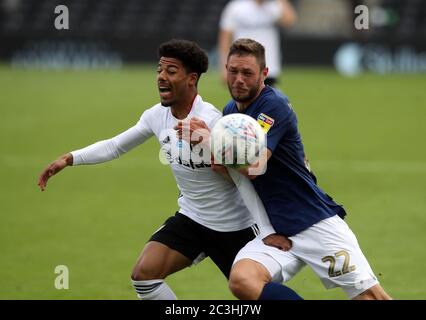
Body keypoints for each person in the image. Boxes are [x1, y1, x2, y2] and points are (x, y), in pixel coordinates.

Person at [37, 39, 297, 300]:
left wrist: (266, 231)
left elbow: (243, 181)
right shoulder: (156, 116)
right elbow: (116, 146)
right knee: (144, 276)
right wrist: (70, 158)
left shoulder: (214, 123)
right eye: (159, 70)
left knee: (253, 291)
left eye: (171, 71)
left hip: (235, 227)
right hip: (192, 219)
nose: (161, 77)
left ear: (191, 79)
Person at [185, 38, 392, 300]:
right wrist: (210, 151)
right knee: (242, 280)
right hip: (276, 230)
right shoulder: (230, 114)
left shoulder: (274, 105)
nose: (238, 79)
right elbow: (231, 173)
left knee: (371, 298)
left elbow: (255, 167)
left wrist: (212, 140)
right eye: (233, 71)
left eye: (247, 73)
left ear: (264, 74)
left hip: (313, 222)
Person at [218, 0, 297, 87]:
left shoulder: (274, 7)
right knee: (245, 98)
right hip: (243, 65)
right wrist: (224, 67)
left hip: (268, 66)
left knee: (269, 98)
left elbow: (289, 20)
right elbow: (225, 38)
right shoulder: (236, 7)